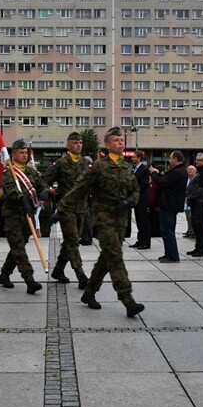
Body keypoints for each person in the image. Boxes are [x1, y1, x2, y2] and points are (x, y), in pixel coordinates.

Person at [60, 127, 142, 316]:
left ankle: (89, 293)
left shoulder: (127, 167)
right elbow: (79, 188)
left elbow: (136, 190)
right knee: (114, 256)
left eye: (121, 140)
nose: (120, 143)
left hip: (121, 220)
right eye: (115, 141)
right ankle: (127, 299)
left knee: (106, 258)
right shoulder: (98, 166)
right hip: (103, 218)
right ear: (107, 144)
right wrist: (62, 207)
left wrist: (129, 201)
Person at [0, 139, 50, 294]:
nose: (24, 155)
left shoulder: (32, 172)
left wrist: (44, 192)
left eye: (26, 152)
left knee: (17, 248)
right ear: (13, 155)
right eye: (21, 152)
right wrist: (21, 198)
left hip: (28, 216)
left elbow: (42, 185)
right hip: (13, 216)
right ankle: (30, 280)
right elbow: (10, 190)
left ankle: (5, 274)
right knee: (19, 249)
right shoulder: (8, 172)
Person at [45, 132, 89, 286]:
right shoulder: (61, 163)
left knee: (71, 241)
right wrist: (48, 191)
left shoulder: (85, 163)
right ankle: (81, 275)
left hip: (81, 208)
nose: (79, 145)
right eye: (75, 142)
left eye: (80, 142)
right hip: (66, 209)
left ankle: (58, 270)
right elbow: (45, 179)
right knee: (72, 241)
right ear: (68, 145)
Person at [149, 150, 187, 263]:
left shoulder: (177, 172)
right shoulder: (179, 171)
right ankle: (168, 254)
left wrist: (153, 173)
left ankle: (173, 256)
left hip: (169, 205)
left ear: (175, 158)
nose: (170, 161)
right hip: (170, 204)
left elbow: (161, 182)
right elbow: (166, 179)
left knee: (167, 231)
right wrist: (159, 173)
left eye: (171, 159)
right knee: (166, 230)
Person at [185, 153, 203, 257]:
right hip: (196, 201)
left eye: (198, 160)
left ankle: (202, 249)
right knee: (195, 225)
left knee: (200, 225)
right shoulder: (200, 171)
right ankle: (198, 247)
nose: (196, 161)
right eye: (196, 159)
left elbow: (201, 188)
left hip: (200, 201)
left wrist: (191, 195)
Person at [130, 150, 151, 249]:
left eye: (134, 157)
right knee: (138, 220)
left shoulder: (144, 169)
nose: (132, 158)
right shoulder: (136, 169)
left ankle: (146, 242)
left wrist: (135, 191)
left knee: (144, 221)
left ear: (139, 158)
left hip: (142, 199)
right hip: (137, 199)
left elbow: (144, 184)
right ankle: (140, 240)